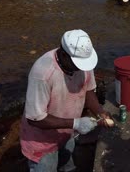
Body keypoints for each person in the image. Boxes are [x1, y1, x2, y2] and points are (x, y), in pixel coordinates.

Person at [20, 29, 111, 172]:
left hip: (66, 134)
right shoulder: (43, 73)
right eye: (77, 64)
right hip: (42, 142)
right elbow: (35, 118)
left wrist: (100, 112)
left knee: (67, 167)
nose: (79, 68)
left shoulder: (83, 64)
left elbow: (87, 90)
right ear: (63, 54)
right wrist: (76, 123)